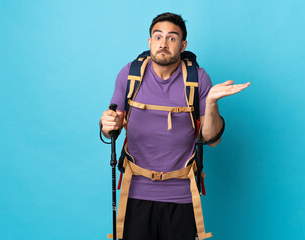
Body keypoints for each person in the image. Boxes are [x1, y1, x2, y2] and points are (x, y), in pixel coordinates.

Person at [100, 12, 250, 240]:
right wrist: (106, 124)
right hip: (136, 192)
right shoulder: (130, 74)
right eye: (158, 36)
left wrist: (210, 102)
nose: (163, 43)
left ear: (183, 45)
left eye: (172, 38)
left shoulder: (198, 78)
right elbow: (113, 125)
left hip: (182, 195)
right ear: (150, 42)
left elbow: (212, 139)